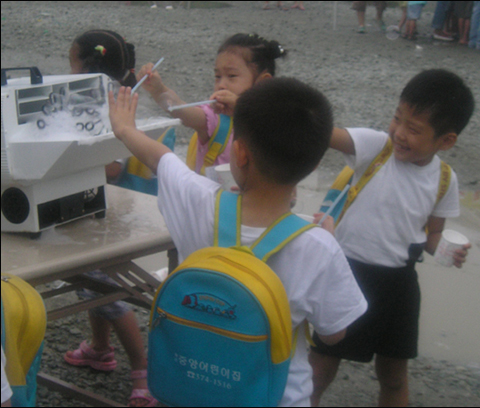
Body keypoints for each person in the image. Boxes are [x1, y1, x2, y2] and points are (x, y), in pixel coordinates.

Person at [108, 78, 368, 407]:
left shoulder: (198, 201)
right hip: (276, 398)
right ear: (315, 163)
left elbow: (161, 158)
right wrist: (328, 241)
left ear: (240, 152)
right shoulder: (319, 246)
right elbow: (333, 333)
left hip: (190, 392)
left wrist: (124, 128)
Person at [309, 69, 474, 407]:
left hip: (398, 286)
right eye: (398, 118)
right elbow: (327, 134)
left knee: (394, 377)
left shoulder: (444, 179)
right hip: (347, 274)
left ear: (446, 140)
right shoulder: (376, 148)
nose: (399, 132)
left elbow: (433, 234)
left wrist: (445, 250)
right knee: (320, 366)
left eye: (413, 129)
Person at [66, 29, 159, 408]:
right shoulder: (108, 94)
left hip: (115, 210)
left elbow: (110, 168)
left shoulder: (110, 102)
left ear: (86, 64)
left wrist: (67, 161)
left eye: (70, 61)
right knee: (92, 284)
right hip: (104, 208)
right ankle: (101, 349)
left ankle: (142, 373)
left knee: (107, 291)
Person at [137, 33, 286, 175]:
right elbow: (181, 110)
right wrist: (158, 90)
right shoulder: (217, 118)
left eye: (232, 76)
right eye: (217, 76)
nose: (221, 84)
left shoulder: (275, 124)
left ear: (263, 83)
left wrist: (242, 109)